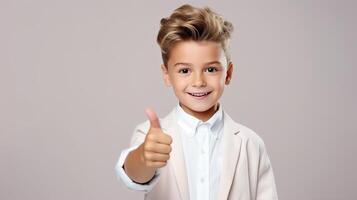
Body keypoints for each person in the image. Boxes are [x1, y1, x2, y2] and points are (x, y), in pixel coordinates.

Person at [115, 4, 278, 200]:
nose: (199, 82)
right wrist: (144, 157)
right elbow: (135, 175)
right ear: (167, 75)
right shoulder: (151, 136)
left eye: (211, 69)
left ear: (229, 74)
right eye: (185, 71)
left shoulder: (251, 144)